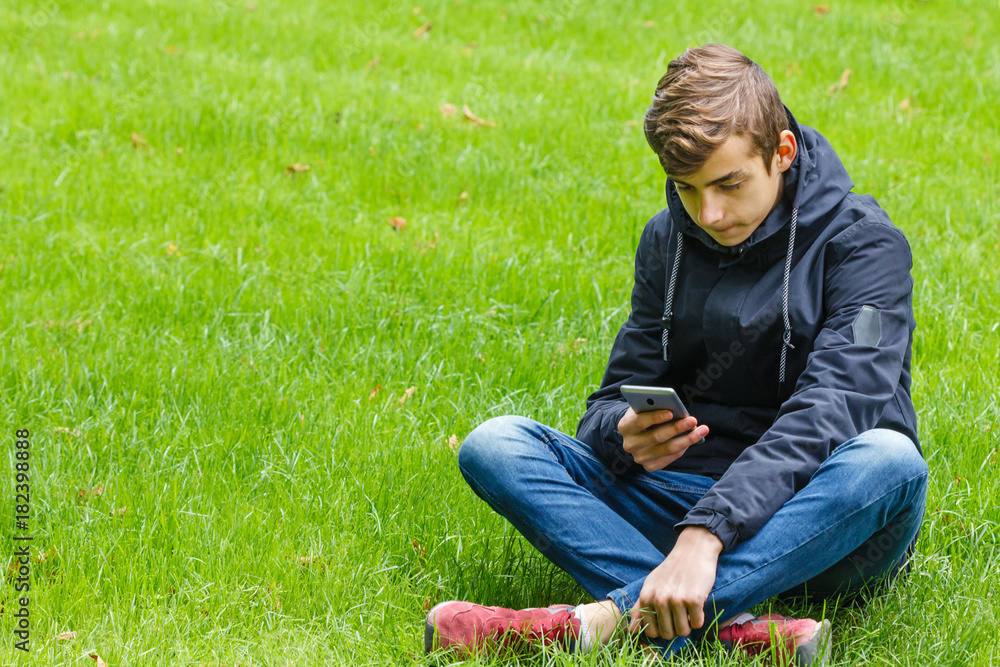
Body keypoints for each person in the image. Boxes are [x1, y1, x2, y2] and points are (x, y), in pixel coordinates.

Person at [423, 43, 928, 665]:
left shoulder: (866, 247)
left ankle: (594, 624)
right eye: (686, 189)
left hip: (820, 521)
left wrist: (707, 532)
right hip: (681, 499)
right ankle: (737, 627)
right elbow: (612, 398)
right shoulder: (667, 240)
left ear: (783, 153)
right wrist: (623, 435)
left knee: (891, 460)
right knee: (496, 444)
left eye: (729, 183)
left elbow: (840, 403)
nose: (709, 212)